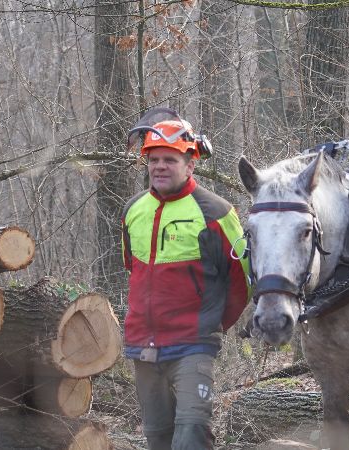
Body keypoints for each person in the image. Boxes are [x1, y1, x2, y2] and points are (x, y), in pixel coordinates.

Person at [121, 108, 249, 449]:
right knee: (158, 437)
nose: (160, 166)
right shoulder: (134, 210)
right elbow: (133, 273)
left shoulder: (217, 212)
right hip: (143, 345)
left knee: (191, 431)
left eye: (170, 160)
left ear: (190, 164)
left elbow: (241, 282)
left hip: (194, 344)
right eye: (154, 159)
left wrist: (209, 324)